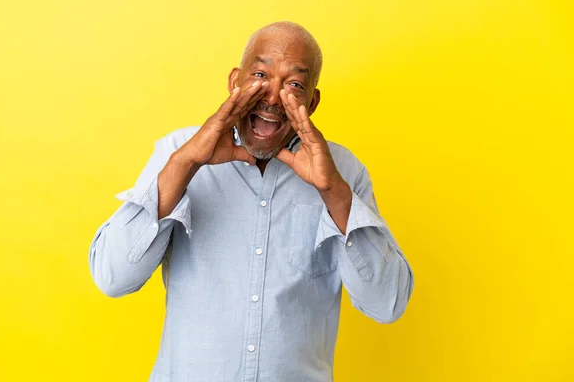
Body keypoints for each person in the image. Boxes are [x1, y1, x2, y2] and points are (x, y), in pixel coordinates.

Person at [89, 21, 414, 382]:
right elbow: (112, 277)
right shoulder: (176, 153)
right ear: (234, 83)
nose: (273, 98)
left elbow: (387, 304)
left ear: (312, 101)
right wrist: (185, 165)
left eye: (293, 85)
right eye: (260, 74)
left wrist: (333, 191)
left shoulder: (345, 172)